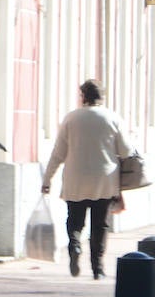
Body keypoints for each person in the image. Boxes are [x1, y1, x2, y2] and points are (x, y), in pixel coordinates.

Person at [42, 79, 130, 280]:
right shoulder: (113, 118)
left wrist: (47, 179)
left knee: (74, 220)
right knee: (100, 225)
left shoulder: (71, 119)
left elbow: (58, 153)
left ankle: (74, 245)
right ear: (102, 96)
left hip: (76, 180)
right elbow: (125, 151)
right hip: (104, 180)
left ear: (83, 96)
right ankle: (97, 268)